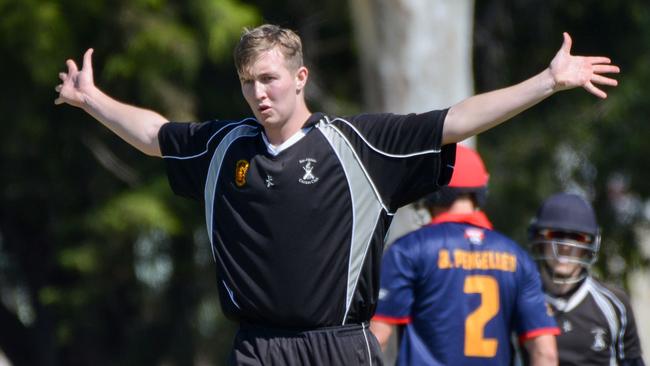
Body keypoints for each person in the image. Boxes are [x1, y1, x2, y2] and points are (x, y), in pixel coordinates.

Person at [54, 23, 618, 365]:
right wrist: (92, 99)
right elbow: (156, 135)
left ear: (300, 78)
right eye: (248, 81)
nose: (258, 92)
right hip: (258, 347)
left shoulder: (360, 144)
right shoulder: (224, 147)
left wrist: (548, 81)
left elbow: (455, 119)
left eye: (269, 79)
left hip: (339, 348)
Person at [371, 145, 560, 365]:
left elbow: (378, 338)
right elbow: (545, 353)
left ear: (433, 188)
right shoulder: (518, 257)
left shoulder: (408, 249)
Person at [528, 193, 645, 365]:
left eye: (577, 237)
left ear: (590, 243)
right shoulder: (520, 299)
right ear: (539, 239)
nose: (566, 246)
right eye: (556, 234)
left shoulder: (613, 304)